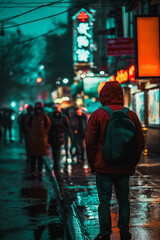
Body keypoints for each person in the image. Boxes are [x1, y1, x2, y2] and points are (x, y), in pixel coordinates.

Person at [85, 81, 145, 240]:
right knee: (124, 200)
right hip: (124, 167)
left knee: (104, 202)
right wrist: (132, 162)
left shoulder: (98, 114)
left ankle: (105, 234)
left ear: (103, 95)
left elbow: (90, 142)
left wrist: (93, 164)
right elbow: (140, 142)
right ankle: (125, 232)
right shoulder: (130, 114)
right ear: (120, 95)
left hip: (103, 167)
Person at [25, 102, 51, 176]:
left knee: (40, 157)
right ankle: (33, 171)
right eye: (37, 109)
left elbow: (48, 125)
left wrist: (44, 132)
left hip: (41, 140)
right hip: (32, 139)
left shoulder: (44, 117)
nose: (38, 111)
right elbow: (26, 124)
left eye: (40, 109)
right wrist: (30, 131)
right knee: (33, 156)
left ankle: (39, 171)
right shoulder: (31, 116)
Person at [48, 105, 69, 170]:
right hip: (53, 136)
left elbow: (67, 126)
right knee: (54, 150)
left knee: (58, 150)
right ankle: (56, 162)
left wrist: (65, 133)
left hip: (60, 136)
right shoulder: (50, 117)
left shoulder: (63, 117)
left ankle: (57, 163)